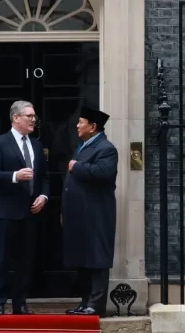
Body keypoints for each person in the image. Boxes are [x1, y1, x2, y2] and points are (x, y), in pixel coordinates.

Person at [0, 100, 49, 315]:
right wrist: (15, 176)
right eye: (29, 116)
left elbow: (45, 177)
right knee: (1, 259)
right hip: (4, 211)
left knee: (25, 260)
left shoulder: (37, 145)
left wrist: (43, 195)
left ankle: (20, 303)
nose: (33, 119)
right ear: (15, 118)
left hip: (30, 212)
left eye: (34, 116)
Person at [61, 105, 118, 317]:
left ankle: (95, 305)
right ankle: (84, 303)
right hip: (79, 214)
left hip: (96, 215)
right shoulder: (83, 146)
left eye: (81, 122)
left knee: (97, 260)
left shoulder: (107, 148)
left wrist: (76, 167)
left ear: (93, 127)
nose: (77, 125)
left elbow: (103, 172)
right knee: (83, 261)